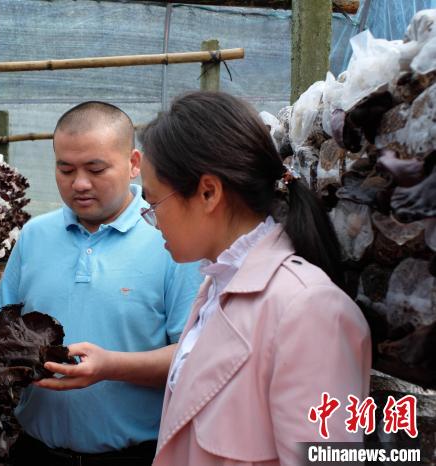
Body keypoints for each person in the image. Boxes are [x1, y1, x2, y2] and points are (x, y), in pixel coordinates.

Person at [39, 92, 372, 466]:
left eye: (155, 202)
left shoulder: (310, 311)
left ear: (209, 193)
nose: (150, 216)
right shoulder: (216, 286)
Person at [0, 101, 203, 465]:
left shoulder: (170, 239)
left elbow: (194, 357)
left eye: (96, 168)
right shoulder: (35, 236)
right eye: (65, 169)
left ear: (134, 164)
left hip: (135, 455)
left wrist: (110, 366)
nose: (80, 184)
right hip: (35, 451)